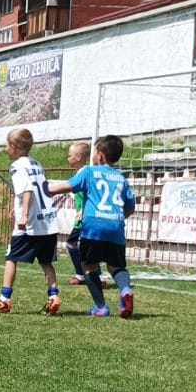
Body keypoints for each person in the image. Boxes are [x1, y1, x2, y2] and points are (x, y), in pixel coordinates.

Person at [48, 134, 137, 318]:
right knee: (116, 266)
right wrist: (115, 219)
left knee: (88, 266)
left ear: (100, 155)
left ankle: (101, 307)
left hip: (94, 227)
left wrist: (41, 188)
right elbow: (130, 208)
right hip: (116, 227)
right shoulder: (121, 178)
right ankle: (125, 290)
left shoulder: (89, 172)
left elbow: (63, 188)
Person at [0, 128, 61, 314]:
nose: (6, 149)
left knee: (11, 257)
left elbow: (27, 189)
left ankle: (4, 300)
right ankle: (53, 297)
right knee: (46, 262)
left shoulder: (17, 166)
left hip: (30, 223)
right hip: (47, 220)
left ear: (12, 146)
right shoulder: (37, 164)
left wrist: (24, 214)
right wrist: (18, 206)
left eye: (6, 145)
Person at [62, 141, 91, 286]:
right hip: (82, 217)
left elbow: (91, 194)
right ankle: (90, 275)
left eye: (70, 155)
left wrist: (84, 210)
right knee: (80, 246)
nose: (68, 158)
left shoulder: (85, 174)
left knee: (72, 244)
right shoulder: (80, 174)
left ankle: (84, 275)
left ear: (78, 157)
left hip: (85, 218)